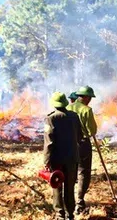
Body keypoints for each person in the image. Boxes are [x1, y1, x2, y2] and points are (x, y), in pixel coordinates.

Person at [44, 92, 82, 220]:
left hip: (57, 160)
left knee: (57, 187)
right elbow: (80, 136)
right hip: (72, 158)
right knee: (70, 187)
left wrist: (47, 161)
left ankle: (60, 215)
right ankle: (70, 214)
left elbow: (49, 143)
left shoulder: (51, 118)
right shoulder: (74, 116)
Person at [66, 85, 97, 214]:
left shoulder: (67, 107)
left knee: (70, 171)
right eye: (90, 97)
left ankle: (68, 201)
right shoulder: (86, 110)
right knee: (83, 172)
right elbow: (91, 131)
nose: (90, 100)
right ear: (85, 97)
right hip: (82, 144)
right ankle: (79, 201)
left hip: (67, 144)